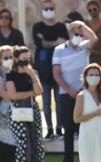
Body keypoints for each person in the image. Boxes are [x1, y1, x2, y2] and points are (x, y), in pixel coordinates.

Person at [53, 20, 98, 162]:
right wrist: (69, 90)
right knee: (68, 126)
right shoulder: (59, 49)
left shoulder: (84, 47)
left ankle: (86, 156)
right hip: (66, 93)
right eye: (75, 33)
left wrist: (83, 27)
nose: (78, 35)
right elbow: (57, 74)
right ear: (69, 33)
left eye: (80, 33)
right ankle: (68, 158)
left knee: (84, 124)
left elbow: (94, 39)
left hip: (84, 92)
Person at [6, 46, 45, 162]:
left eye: (27, 57)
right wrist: (30, 93)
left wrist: (31, 75)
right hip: (17, 111)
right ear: (16, 58)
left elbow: (40, 91)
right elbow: (13, 95)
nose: (26, 60)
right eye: (23, 58)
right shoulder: (11, 75)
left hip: (32, 109)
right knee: (23, 142)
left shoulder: (32, 73)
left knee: (34, 142)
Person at [33, 1, 69, 139]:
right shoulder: (38, 26)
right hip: (43, 69)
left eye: (51, 8)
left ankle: (59, 128)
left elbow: (64, 43)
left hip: (59, 69)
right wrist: (55, 42)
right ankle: (49, 129)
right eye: (46, 9)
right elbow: (39, 43)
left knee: (59, 101)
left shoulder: (61, 27)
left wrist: (47, 42)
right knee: (46, 102)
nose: (48, 11)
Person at [86, 1, 101, 71]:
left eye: (94, 9)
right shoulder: (85, 25)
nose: (92, 11)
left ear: (99, 9)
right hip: (90, 58)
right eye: (90, 10)